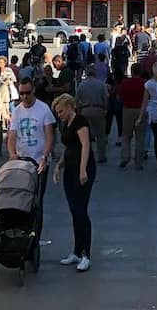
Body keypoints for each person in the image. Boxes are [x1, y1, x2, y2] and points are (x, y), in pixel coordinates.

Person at [52, 93, 95, 272]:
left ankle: (86, 254)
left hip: (81, 169)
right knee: (73, 210)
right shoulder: (65, 123)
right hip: (69, 168)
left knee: (81, 210)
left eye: (61, 111)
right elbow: (69, 147)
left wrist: (83, 169)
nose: (59, 114)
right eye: (57, 112)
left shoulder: (80, 121)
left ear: (70, 107)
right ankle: (76, 251)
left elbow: (85, 145)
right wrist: (58, 166)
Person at [7, 77, 56, 204]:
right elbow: (12, 135)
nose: (24, 97)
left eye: (27, 93)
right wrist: (12, 154)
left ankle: (37, 223)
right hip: (22, 161)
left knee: (37, 198)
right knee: (22, 198)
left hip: (39, 161)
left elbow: (50, 136)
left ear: (33, 90)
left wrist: (45, 156)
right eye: (21, 93)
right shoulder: (17, 111)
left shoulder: (44, 109)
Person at [74, 64, 109, 163]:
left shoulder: (81, 85)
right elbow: (106, 97)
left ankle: (86, 155)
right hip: (98, 109)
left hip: (85, 110)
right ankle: (101, 156)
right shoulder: (101, 84)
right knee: (100, 135)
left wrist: (79, 112)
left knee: (85, 135)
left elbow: (77, 100)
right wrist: (105, 109)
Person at [116, 63, 147, 170]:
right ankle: (138, 162)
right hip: (140, 110)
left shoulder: (125, 83)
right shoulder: (144, 83)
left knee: (126, 136)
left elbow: (118, 96)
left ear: (132, 72)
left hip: (127, 110)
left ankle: (125, 157)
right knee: (140, 137)